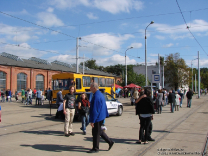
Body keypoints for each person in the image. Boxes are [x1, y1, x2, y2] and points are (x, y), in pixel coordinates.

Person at [88, 82, 114, 153]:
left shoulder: (96, 96)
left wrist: (93, 120)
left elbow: (95, 110)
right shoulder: (100, 94)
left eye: (90, 87)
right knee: (99, 132)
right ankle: (110, 142)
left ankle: (95, 148)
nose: (90, 88)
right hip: (101, 116)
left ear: (94, 87)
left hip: (97, 118)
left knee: (96, 133)